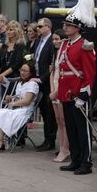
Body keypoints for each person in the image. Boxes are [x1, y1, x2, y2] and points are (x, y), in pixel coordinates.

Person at [58, 0, 96, 175]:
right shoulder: (66, 44)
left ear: (78, 28)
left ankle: (86, 163)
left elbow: (89, 73)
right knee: (71, 128)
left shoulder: (85, 45)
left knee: (82, 129)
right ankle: (75, 159)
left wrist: (83, 93)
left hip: (78, 92)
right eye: (65, 24)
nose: (65, 27)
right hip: (66, 91)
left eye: (69, 25)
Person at [0, 62, 39, 153]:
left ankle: (0, 142)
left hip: (24, 111)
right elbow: (18, 96)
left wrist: (14, 103)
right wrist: (11, 97)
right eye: (22, 70)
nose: (22, 73)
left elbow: (27, 101)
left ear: (31, 73)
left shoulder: (32, 84)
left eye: (25, 71)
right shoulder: (20, 83)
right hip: (16, 109)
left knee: (2, 115)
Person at [32, 18, 57, 152]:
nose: (38, 29)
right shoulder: (38, 41)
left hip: (48, 83)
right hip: (39, 81)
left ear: (48, 27)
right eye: (37, 26)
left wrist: (42, 79)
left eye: (40, 26)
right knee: (44, 112)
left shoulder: (52, 41)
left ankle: (50, 140)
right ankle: (47, 139)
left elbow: (51, 66)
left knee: (50, 114)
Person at [0, 20, 25, 112]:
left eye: (11, 30)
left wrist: (2, 75)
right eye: (8, 30)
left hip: (14, 77)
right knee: (0, 100)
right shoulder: (5, 46)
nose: (9, 32)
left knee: (10, 100)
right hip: (2, 78)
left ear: (17, 31)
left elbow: (17, 64)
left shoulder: (20, 45)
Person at [49, 29, 69, 163]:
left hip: (62, 90)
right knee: (58, 120)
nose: (55, 41)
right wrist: (52, 89)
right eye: (53, 39)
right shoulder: (55, 53)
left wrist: (57, 90)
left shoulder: (65, 52)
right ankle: (62, 146)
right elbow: (52, 73)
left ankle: (65, 149)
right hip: (54, 89)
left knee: (64, 120)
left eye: (57, 39)